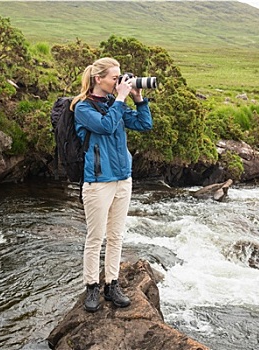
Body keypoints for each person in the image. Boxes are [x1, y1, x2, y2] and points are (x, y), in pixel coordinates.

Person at [71, 57, 153, 312]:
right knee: (96, 237)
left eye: (120, 78)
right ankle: (91, 287)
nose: (119, 82)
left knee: (116, 236)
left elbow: (144, 124)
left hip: (122, 178)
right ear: (99, 79)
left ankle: (112, 284)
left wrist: (138, 98)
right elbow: (105, 127)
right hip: (98, 181)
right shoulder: (84, 108)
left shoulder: (112, 104)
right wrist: (120, 99)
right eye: (115, 78)